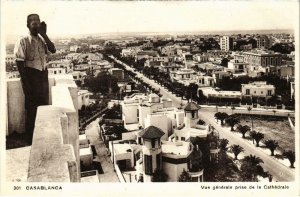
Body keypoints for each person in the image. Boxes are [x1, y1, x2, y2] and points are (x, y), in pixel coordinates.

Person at [14, 14, 56, 144]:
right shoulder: (23, 40)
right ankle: (30, 139)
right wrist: (26, 83)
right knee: (32, 110)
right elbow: (20, 62)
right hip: (31, 78)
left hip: (43, 76)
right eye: (34, 24)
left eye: (38, 23)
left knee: (44, 107)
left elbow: (53, 50)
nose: (37, 26)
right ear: (28, 25)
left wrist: (45, 34)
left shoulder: (42, 40)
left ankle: (42, 138)